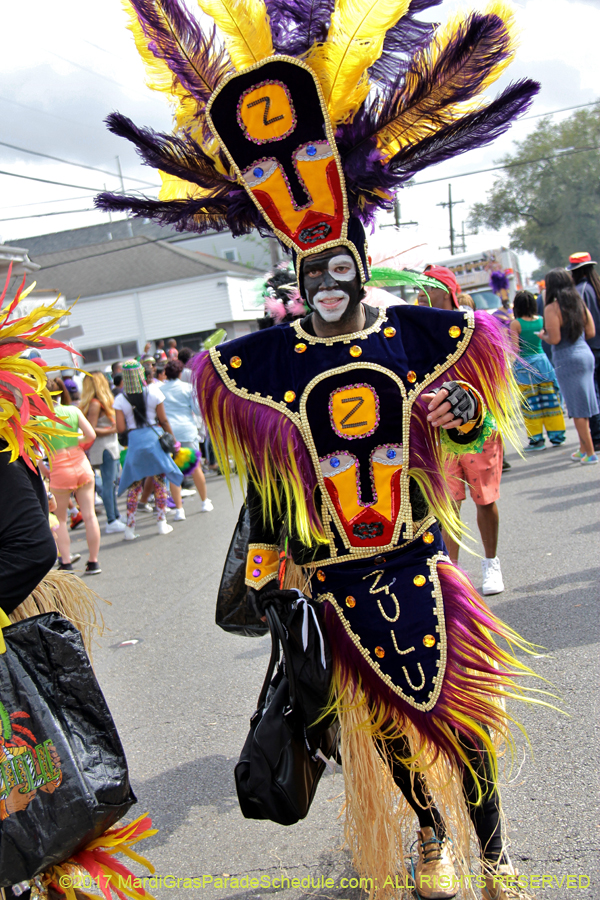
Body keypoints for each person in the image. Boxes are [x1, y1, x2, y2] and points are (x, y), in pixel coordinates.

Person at [99, 4, 541, 897]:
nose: (328, 285)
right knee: (379, 723)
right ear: (295, 282)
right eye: (313, 275)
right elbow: (267, 484)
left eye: (341, 269)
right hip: (336, 573)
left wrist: (461, 417)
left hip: (418, 559)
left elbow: (466, 425)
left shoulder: (415, 338)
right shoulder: (269, 363)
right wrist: (268, 569)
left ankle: (491, 850)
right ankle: (431, 837)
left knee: (468, 715)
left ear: (360, 262)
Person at [417, 267, 506, 595]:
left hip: (478, 427)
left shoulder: (473, 328)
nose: (421, 294)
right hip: (440, 433)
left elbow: (493, 376)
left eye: (430, 288)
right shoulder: (417, 333)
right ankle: (452, 578)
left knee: (485, 499)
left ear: (448, 293)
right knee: (449, 504)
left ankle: (491, 562)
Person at [114, 360, 184, 538]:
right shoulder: (154, 392)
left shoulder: (120, 399)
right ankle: (162, 522)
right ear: (141, 374)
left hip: (135, 442)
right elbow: (164, 420)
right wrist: (173, 441)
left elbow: (120, 429)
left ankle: (129, 528)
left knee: (134, 484)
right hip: (154, 440)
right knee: (160, 482)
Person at [42, 376, 102, 575]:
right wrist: (78, 443)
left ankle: (66, 562)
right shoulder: (73, 411)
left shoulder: (40, 419)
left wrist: (45, 471)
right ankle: (93, 562)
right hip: (81, 464)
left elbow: (34, 454)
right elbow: (91, 435)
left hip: (58, 468)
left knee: (60, 519)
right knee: (90, 515)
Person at [539, 268, 598, 464]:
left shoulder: (552, 308)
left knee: (576, 408)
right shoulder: (578, 302)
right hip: (585, 354)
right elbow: (590, 331)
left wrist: (543, 335)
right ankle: (583, 449)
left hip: (567, 358)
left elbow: (554, 338)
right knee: (585, 404)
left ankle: (590, 453)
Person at [509, 290, 565, 450]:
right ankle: (557, 436)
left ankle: (537, 440)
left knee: (530, 405)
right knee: (551, 401)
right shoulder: (541, 319)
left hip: (525, 367)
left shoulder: (516, 324)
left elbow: (515, 349)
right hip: (543, 363)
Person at [160, 359, 213, 514]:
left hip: (168, 434)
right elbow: (197, 410)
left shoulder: (159, 389)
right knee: (195, 467)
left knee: (173, 470)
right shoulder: (188, 388)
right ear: (180, 373)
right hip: (187, 431)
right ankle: (204, 502)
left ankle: (179, 510)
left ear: (165, 373)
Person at [80, 372, 126, 533]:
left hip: (109, 446)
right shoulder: (95, 404)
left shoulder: (97, 402)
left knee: (111, 483)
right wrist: (112, 429)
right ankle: (111, 519)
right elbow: (91, 429)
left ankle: (116, 516)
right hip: (104, 447)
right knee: (108, 484)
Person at [567, 251, 600, 450]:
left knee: (593, 395)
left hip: (591, 346)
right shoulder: (596, 287)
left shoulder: (581, 291)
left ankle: (596, 436)